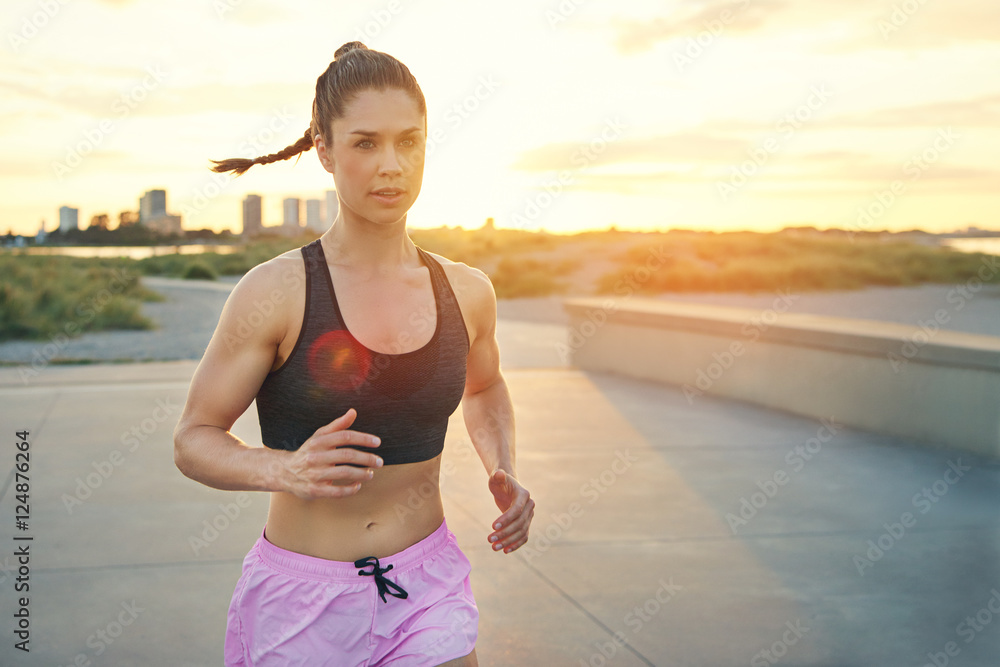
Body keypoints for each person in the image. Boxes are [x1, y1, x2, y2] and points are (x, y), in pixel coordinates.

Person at [173, 41, 534, 667]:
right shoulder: (277, 292)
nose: (390, 164)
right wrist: (279, 469)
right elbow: (194, 438)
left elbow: (484, 388)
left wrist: (502, 465)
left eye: (409, 142)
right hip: (301, 601)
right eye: (365, 143)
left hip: (428, 590)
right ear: (325, 151)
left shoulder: (468, 292)